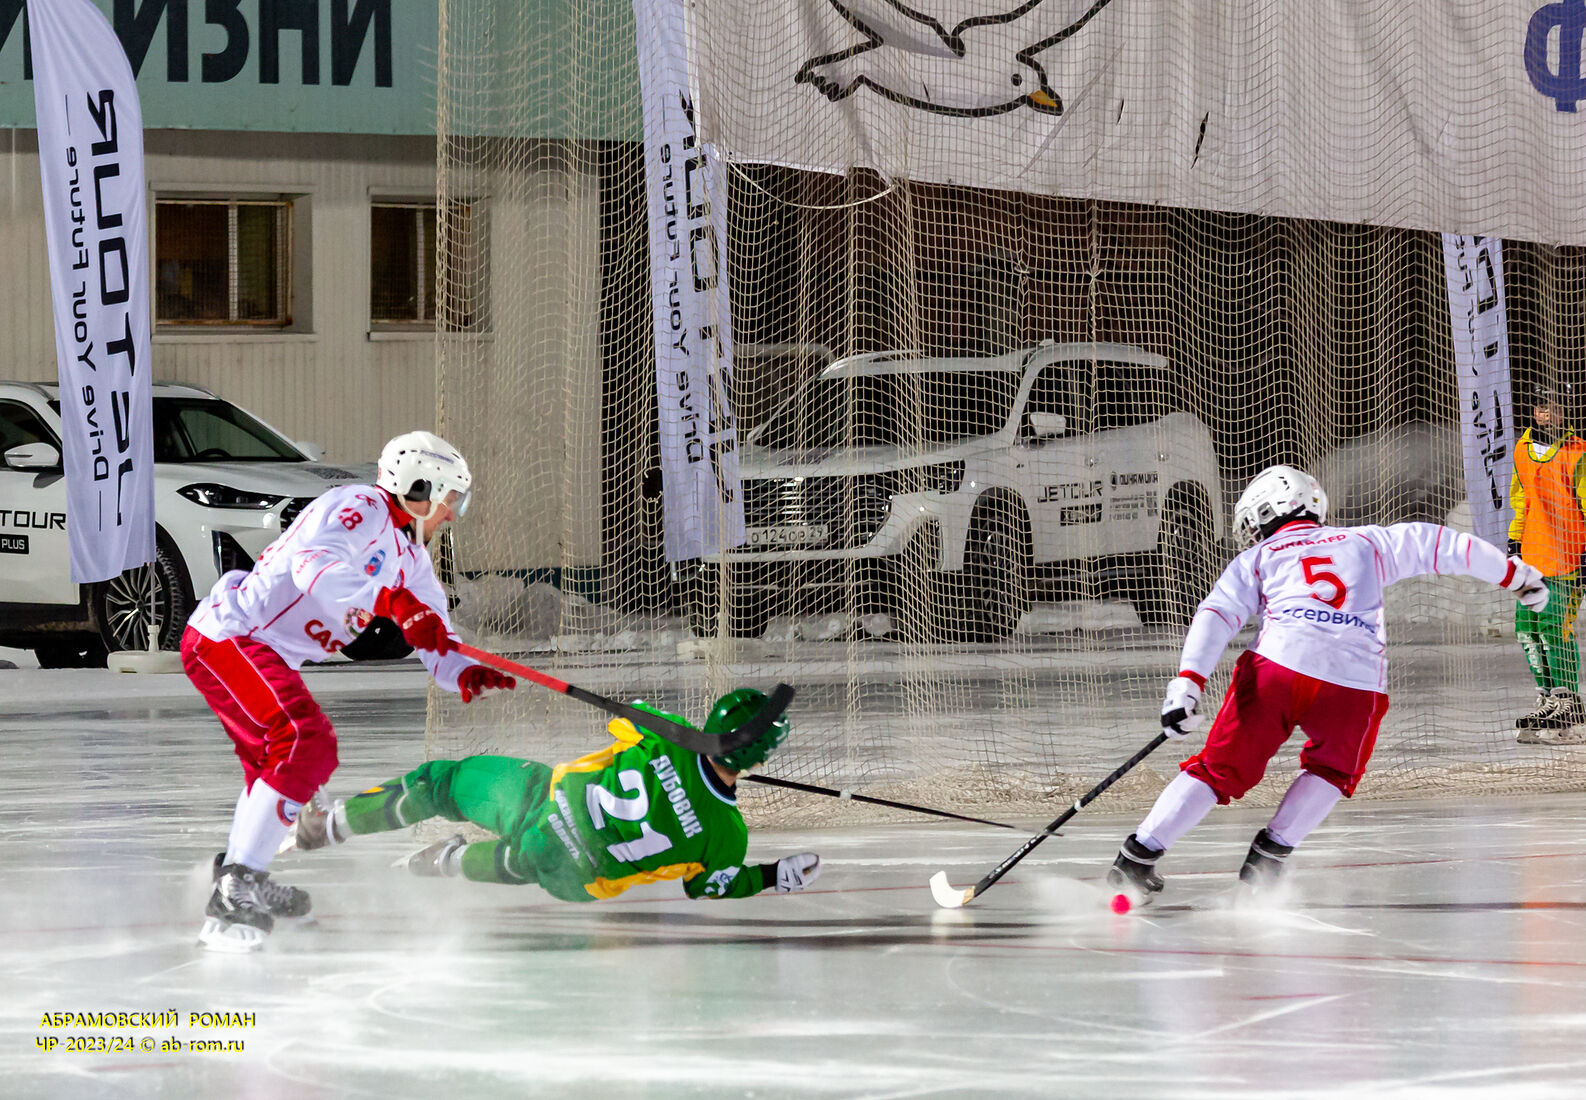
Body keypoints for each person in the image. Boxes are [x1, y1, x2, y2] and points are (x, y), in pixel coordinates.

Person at [1107, 465, 1549, 905]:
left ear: (1267, 512)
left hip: (1277, 667)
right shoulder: (1368, 541)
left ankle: (1136, 860)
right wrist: (1514, 576)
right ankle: (1266, 865)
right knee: (1332, 771)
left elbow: (1216, 615)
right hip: (1353, 682)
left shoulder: (1257, 558)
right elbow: (1444, 544)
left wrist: (1187, 683)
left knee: (1217, 769)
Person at [182, 431, 517, 951]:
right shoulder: (361, 507)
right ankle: (235, 889)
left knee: (279, 765)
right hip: (232, 635)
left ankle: (241, 873)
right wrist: (393, 603)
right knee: (304, 742)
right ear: (419, 487)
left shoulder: (412, 557)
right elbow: (311, 565)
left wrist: (463, 671)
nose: (453, 514)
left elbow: (436, 637)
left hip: (266, 652)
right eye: (451, 498)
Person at [292, 689, 823, 904]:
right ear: (759, 759)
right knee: (527, 858)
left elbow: (624, 716)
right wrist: (771, 875)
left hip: (541, 799)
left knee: (439, 784)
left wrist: (663, 733)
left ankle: (330, 825)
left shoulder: (671, 734)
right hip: (574, 872)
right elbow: (708, 886)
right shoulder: (728, 836)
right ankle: (444, 862)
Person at [1508, 384, 1586, 743]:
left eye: (1553, 406)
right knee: (1527, 630)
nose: (1546, 413)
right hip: (1532, 557)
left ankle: (1569, 702)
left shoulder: (1577, 452)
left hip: (1568, 557)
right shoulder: (1522, 449)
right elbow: (1521, 497)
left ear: (1564, 411)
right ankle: (1548, 697)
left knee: (1556, 628)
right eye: (1540, 406)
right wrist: (1514, 540)